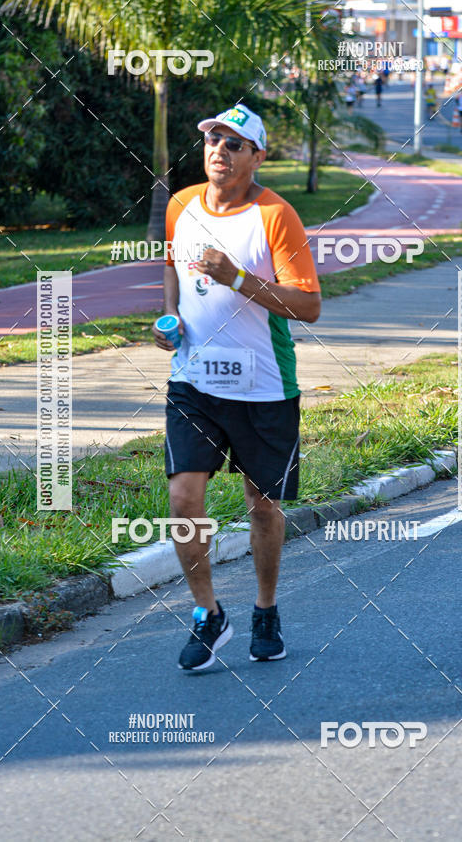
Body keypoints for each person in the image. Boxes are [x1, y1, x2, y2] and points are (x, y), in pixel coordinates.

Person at [152, 104, 321, 671]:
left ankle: (266, 609)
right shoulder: (182, 205)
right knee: (183, 499)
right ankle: (207, 614)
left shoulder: (276, 216)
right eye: (213, 141)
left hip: (264, 386)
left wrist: (239, 279)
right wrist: (169, 317)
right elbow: (173, 266)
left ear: (257, 157)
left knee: (262, 507)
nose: (219, 151)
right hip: (193, 380)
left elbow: (309, 306)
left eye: (233, 143)